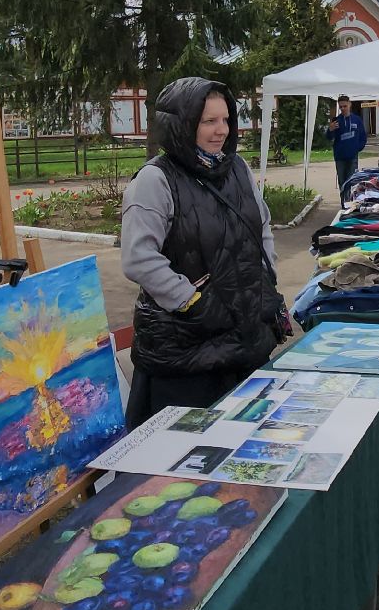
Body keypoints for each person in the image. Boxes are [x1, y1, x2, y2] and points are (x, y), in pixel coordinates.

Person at [121, 78, 285, 427]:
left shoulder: (237, 168)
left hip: (243, 344)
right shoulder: (155, 180)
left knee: (246, 444)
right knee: (185, 454)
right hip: (186, 357)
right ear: (181, 125)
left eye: (225, 119)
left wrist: (265, 278)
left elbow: (262, 227)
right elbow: (139, 257)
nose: (221, 130)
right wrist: (191, 302)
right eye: (209, 121)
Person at [327, 95, 369, 195]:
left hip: (352, 157)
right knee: (342, 182)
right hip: (340, 157)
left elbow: (363, 137)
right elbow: (329, 138)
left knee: (352, 181)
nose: (343, 109)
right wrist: (330, 130)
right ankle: (343, 202)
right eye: (340, 107)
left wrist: (357, 148)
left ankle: (350, 202)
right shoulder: (337, 120)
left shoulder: (357, 120)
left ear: (350, 104)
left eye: (345, 106)